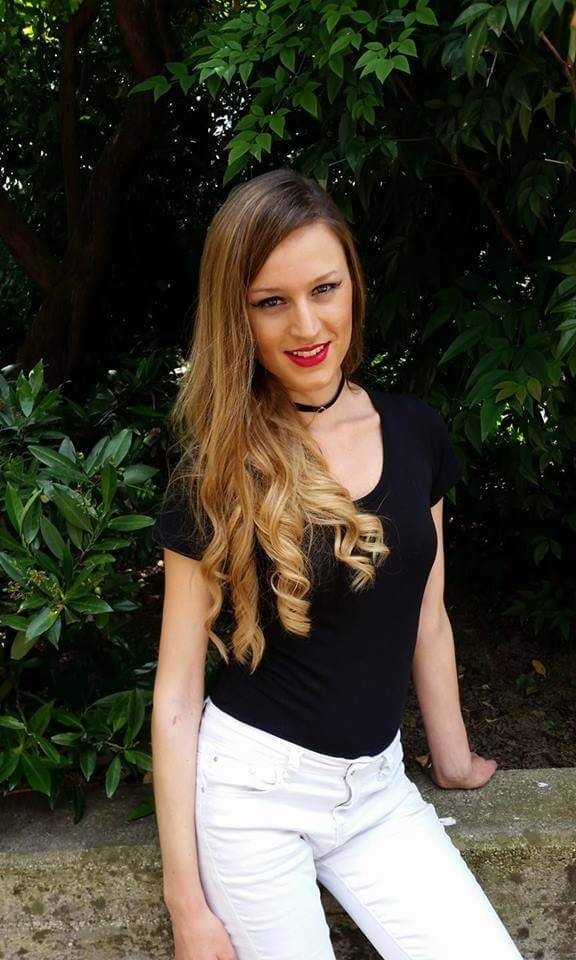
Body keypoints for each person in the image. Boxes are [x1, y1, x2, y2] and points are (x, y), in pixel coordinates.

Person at [151, 168, 524, 960]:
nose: (306, 324)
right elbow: (179, 694)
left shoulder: (416, 433)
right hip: (254, 800)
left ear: (353, 282)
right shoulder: (216, 469)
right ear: (237, 316)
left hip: (378, 793)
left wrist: (452, 758)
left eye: (324, 288)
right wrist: (188, 907)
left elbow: (426, 614)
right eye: (271, 302)